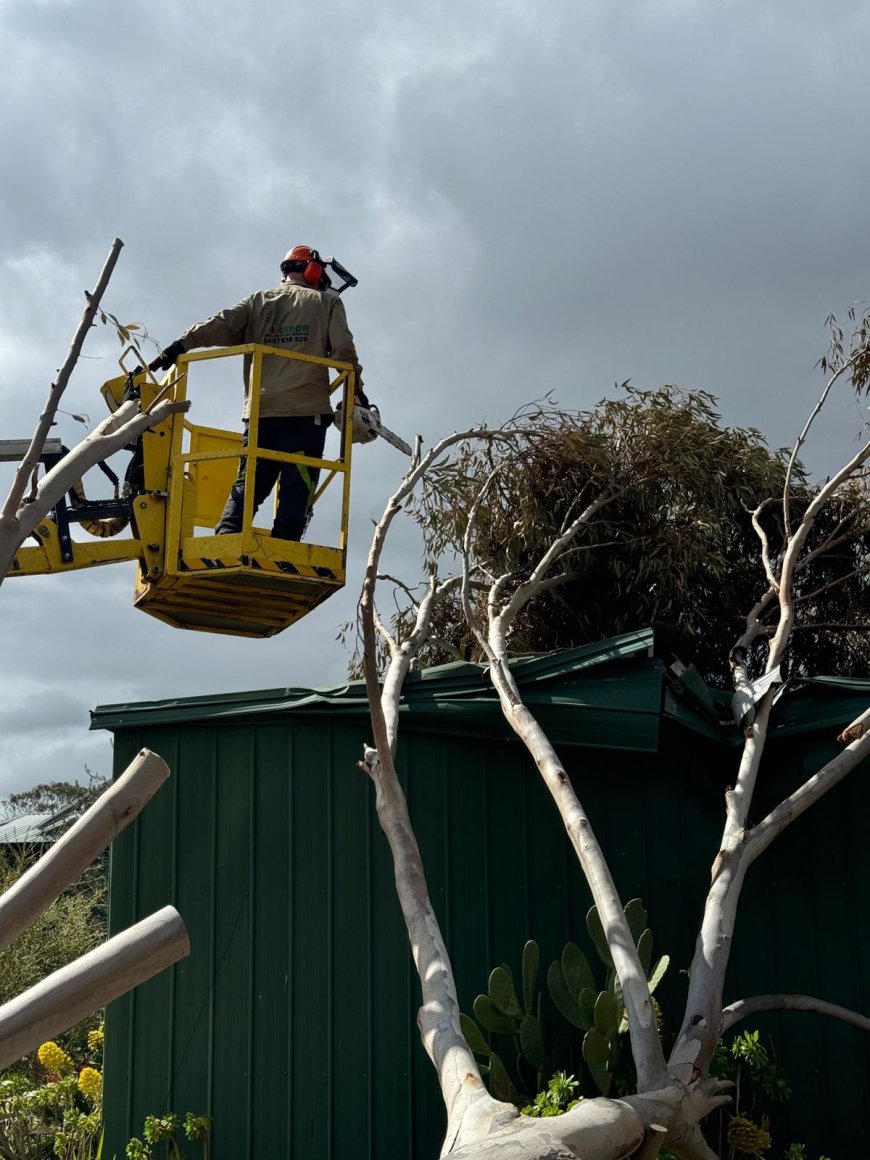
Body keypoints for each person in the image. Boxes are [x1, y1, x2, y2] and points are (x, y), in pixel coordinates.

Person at [150, 245, 365, 542]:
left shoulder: (257, 302)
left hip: (260, 412)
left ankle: (225, 538)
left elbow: (218, 325)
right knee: (296, 486)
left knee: (248, 483)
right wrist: (357, 392)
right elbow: (343, 350)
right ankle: (284, 548)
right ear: (313, 270)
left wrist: (177, 347)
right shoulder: (325, 303)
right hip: (305, 413)